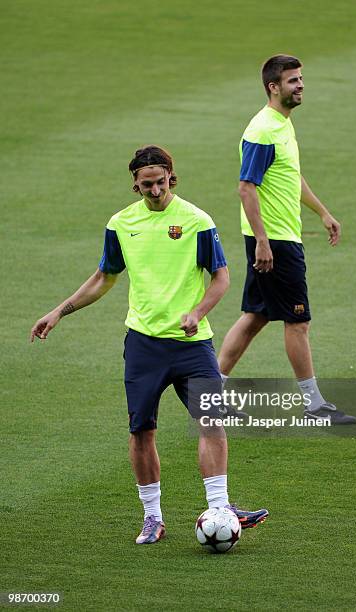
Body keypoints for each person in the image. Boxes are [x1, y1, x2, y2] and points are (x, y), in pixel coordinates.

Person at [30, 145, 268, 544]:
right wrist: (60, 311)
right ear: (135, 185)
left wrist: (197, 312)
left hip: (193, 347)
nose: (154, 191)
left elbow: (222, 277)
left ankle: (220, 506)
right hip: (144, 346)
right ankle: (153, 518)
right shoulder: (122, 223)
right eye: (146, 185)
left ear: (171, 177)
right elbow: (104, 277)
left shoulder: (196, 221)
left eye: (160, 182)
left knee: (212, 423)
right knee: (141, 430)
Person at [218, 55, 356, 425]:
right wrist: (263, 241)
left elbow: (290, 177)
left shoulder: (281, 124)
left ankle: (210, 394)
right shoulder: (263, 130)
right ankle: (313, 404)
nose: (300, 85)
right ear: (273, 87)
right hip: (275, 242)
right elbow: (246, 188)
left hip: (277, 238)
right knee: (298, 322)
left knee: (255, 316)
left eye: (301, 79)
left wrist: (322, 212)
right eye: (293, 80)